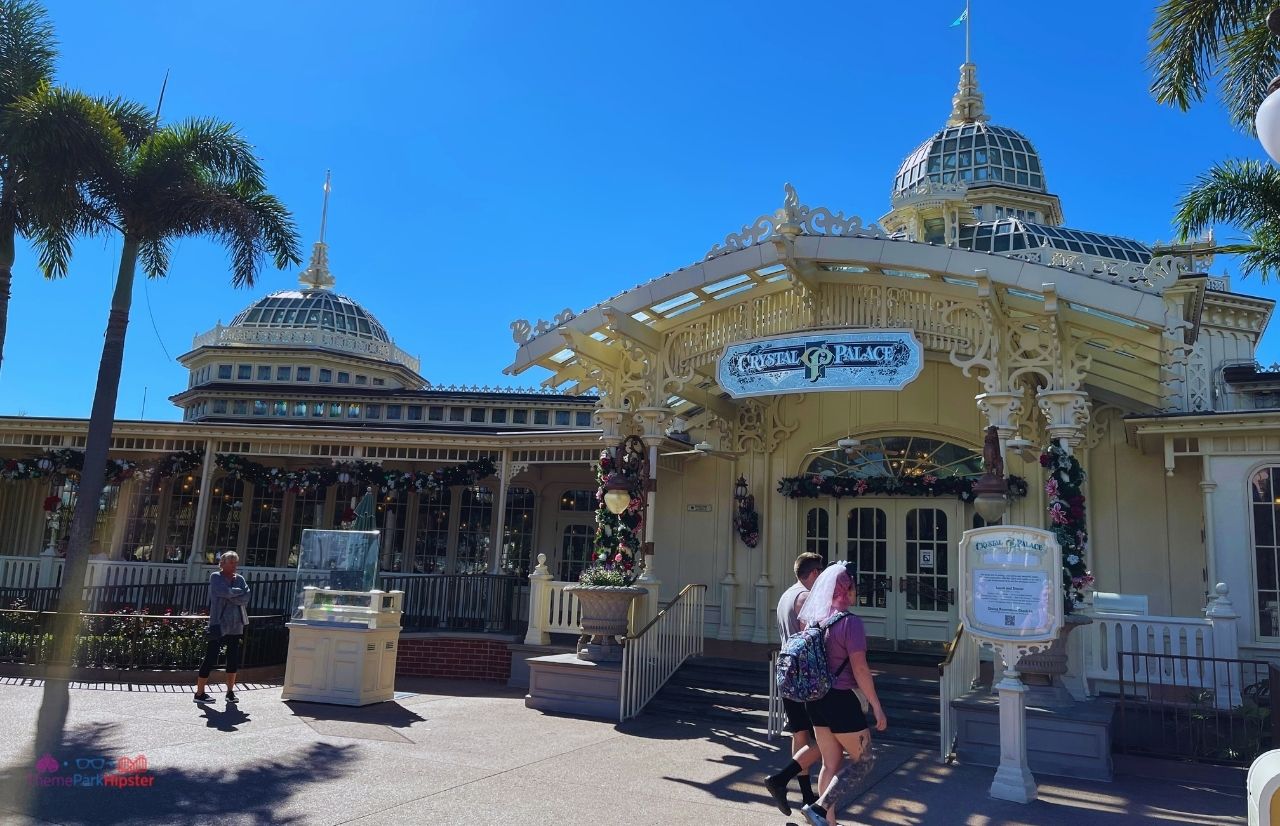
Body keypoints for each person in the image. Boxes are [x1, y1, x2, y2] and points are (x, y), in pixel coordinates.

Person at [798, 562, 888, 826]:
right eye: (852, 588)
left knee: (830, 763)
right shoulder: (851, 623)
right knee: (865, 761)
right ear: (846, 589)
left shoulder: (817, 621)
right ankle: (820, 807)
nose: (854, 592)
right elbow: (860, 668)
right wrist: (877, 706)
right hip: (841, 699)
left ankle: (828, 821)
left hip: (816, 699)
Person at [764, 551, 826, 815]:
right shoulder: (804, 598)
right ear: (812, 573)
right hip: (805, 676)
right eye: (820, 574)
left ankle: (805, 794)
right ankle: (783, 780)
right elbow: (809, 636)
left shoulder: (786, 595)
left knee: (800, 732)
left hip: (787, 673)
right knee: (826, 737)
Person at [194, 551, 251, 704]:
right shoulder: (215, 577)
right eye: (231, 562)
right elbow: (222, 591)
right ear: (223, 563)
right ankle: (199, 693)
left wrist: (232, 594)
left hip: (236, 624)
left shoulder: (240, 579)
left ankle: (230, 692)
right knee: (210, 657)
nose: (234, 565)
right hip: (218, 624)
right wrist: (236, 593)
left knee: (232, 659)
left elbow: (246, 597)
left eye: (236, 562)